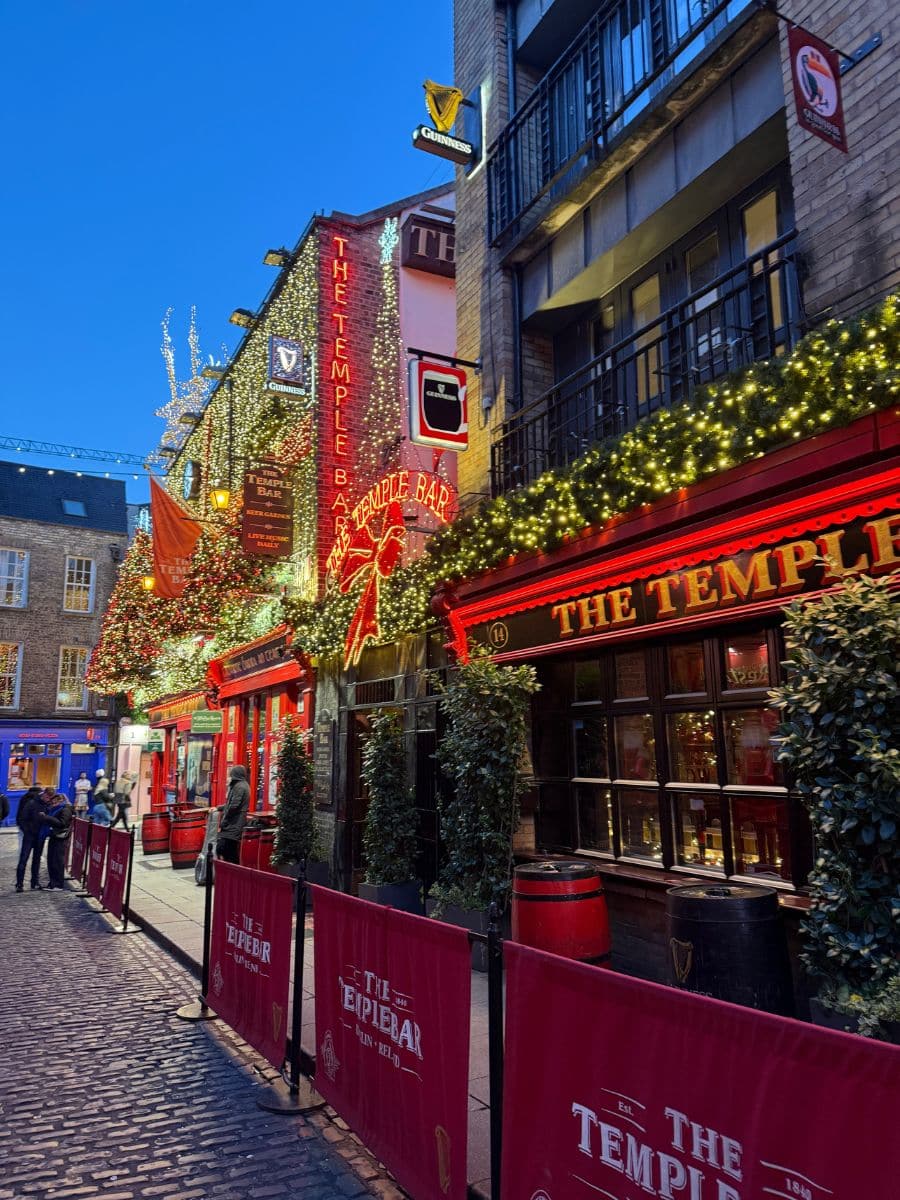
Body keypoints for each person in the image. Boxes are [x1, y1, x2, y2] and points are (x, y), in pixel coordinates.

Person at [15, 787, 49, 891]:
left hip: (40, 836)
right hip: (30, 835)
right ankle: (19, 884)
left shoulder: (47, 805)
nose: (48, 799)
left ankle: (34, 882)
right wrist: (27, 830)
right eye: (47, 797)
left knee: (36, 859)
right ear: (43, 794)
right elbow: (22, 818)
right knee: (23, 859)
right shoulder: (31, 803)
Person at [216, 765, 250, 864]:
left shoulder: (239, 787)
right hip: (234, 822)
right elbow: (229, 805)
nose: (229, 776)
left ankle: (233, 873)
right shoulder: (238, 785)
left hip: (234, 823)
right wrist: (218, 808)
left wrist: (224, 822)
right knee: (228, 850)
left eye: (231, 774)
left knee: (226, 849)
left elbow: (233, 806)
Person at [42, 793, 73, 889]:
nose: (53, 803)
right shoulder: (55, 809)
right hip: (53, 836)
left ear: (61, 800)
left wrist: (47, 818)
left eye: (55, 801)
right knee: (51, 860)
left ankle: (57, 884)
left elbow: (62, 823)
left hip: (60, 838)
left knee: (57, 861)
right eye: (52, 801)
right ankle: (52, 883)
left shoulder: (65, 810)